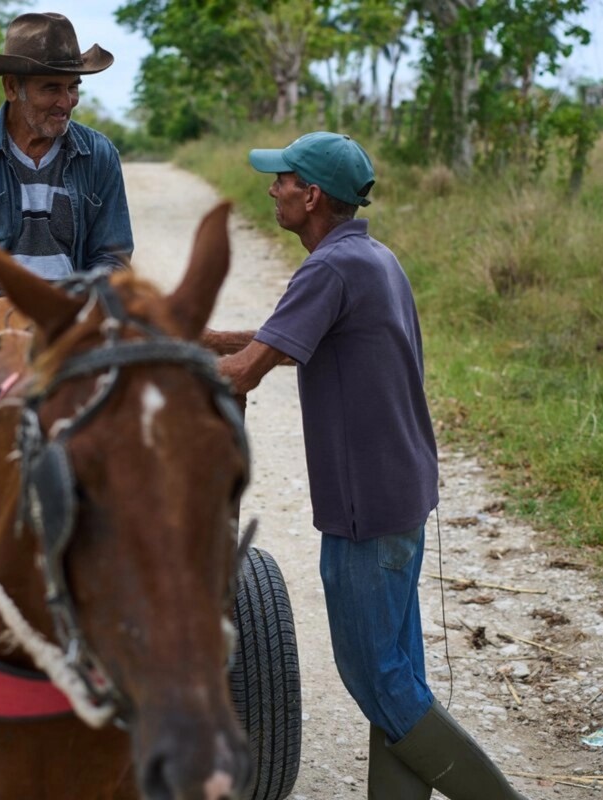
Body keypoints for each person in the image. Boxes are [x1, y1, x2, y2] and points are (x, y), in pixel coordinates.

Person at [204, 132, 529, 800]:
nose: (272, 190)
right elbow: (288, 341)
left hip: (366, 508)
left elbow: (244, 373)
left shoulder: (327, 268)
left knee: (376, 681)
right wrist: (203, 336)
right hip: (399, 492)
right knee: (398, 679)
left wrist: (146, 356)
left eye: (282, 180)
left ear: (312, 195)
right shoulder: (367, 257)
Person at [0, 12, 134, 317]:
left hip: (73, 317)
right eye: (51, 88)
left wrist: (87, 304)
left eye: (72, 87)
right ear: (11, 88)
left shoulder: (100, 155)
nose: (66, 102)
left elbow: (112, 256)